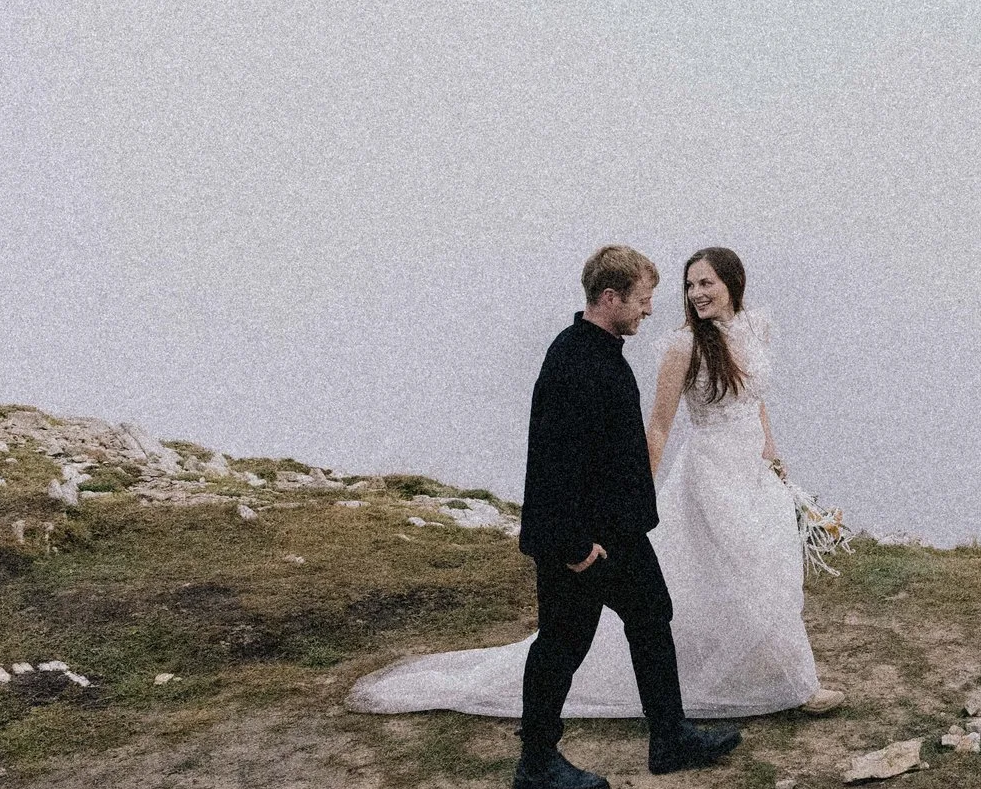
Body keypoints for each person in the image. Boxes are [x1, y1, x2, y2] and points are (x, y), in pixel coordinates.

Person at [345, 246, 819, 750]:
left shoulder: (599, 353)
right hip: (582, 537)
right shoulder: (577, 362)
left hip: (614, 527)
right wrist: (571, 546)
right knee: (564, 641)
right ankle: (539, 757)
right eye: (644, 298)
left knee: (648, 614)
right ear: (611, 297)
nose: (652, 309)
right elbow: (552, 462)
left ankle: (669, 738)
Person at [641, 247, 822, 717]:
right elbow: (659, 425)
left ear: (732, 283)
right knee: (745, 569)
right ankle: (799, 685)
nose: (696, 294)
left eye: (706, 283)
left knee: (773, 566)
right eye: (690, 285)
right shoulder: (684, 345)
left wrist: (772, 454)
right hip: (712, 470)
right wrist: (639, 490)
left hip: (754, 469)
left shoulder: (755, 326)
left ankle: (775, 673)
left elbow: (754, 397)